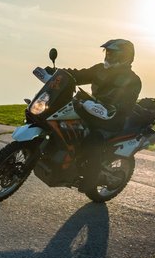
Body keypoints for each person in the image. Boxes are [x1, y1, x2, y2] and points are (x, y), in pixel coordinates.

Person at [59, 39, 142, 191]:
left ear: (125, 56)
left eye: (113, 53)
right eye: (107, 52)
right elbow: (78, 75)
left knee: (93, 139)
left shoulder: (133, 80)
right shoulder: (100, 69)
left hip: (111, 119)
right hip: (90, 109)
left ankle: (90, 180)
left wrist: (108, 108)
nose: (108, 56)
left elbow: (126, 105)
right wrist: (57, 73)